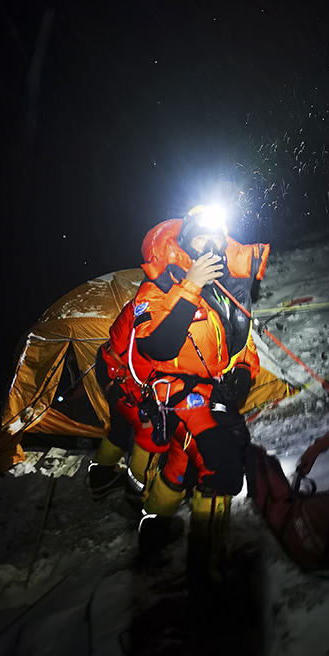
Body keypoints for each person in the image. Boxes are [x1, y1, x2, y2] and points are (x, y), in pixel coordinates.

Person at [132, 205, 270, 588]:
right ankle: (205, 572)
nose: (210, 245)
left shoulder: (228, 288)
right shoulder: (157, 287)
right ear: (184, 242)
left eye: (216, 238)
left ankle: (153, 523)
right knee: (223, 463)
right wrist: (190, 285)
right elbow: (156, 346)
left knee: (186, 462)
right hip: (173, 395)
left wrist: (241, 376)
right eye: (200, 237)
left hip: (213, 395)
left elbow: (242, 347)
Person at [87, 299, 163, 504]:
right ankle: (137, 494)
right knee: (149, 433)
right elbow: (151, 360)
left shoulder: (149, 296)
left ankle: (99, 478)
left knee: (120, 428)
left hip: (111, 368)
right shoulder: (160, 309)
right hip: (123, 381)